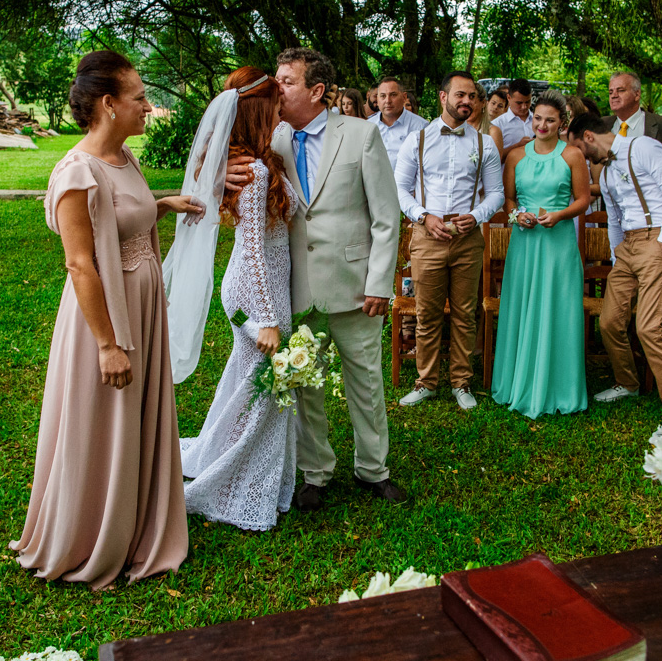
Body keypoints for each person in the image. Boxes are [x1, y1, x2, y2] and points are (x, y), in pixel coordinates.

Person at [11, 50, 201, 590]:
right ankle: (90, 536)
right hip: (105, 320)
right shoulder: (78, 173)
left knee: (135, 416)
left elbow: (121, 219)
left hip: (141, 308)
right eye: (140, 97)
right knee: (101, 424)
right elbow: (80, 263)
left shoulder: (125, 158)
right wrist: (107, 344)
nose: (148, 106)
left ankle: (138, 523)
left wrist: (164, 205)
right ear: (109, 104)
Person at [229, 47, 404, 511]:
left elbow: (386, 217)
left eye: (286, 81)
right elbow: (237, 165)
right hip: (297, 289)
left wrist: (379, 283)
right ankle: (315, 473)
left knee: (366, 384)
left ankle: (373, 469)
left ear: (317, 90)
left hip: (356, 286)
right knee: (305, 386)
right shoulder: (273, 139)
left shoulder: (361, 134)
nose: (277, 89)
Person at [171, 68, 300, 531]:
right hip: (254, 293)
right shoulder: (256, 171)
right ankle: (228, 489)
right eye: (276, 102)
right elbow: (251, 251)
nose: (283, 108)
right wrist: (266, 318)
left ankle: (228, 464)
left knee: (247, 389)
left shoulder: (258, 160)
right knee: (265, 398)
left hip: (258, 288)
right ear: (259, 110)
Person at [565, 114, 662, 414]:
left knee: (649, 327)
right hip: (627, 248)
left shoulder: (643, 147)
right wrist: (616, 252)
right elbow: (614, 216)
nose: (580, 157)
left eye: (579, 148)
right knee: (609, 322)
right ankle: (628, 383)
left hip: (658, 240)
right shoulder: (606, 172)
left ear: (589, 137)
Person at [395, 71, 505, 410]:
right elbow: (400, 189)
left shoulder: (484, 143)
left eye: (472, 96)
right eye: (460, 95)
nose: (466, 101)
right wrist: (424, 216)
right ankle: (426, 382)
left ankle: (461, 382)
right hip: (427, 235)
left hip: (467, 237)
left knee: (465, 313)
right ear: (443, 97)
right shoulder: (417, 140)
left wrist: (478, 215)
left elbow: (497, 193)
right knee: (427, 314)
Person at [493, 90, 590, 417]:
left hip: (558, 242)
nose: (542, 125)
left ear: (562, 123)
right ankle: (518, 381)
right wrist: (516, 215)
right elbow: (508, 199)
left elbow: (583, 200)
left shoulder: (572, 155)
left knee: (557, 307)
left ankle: (558, 386)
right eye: (537, 119)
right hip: (525, 243)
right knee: (522, 305)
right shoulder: (516, 156)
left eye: (550, 120)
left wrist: (560, 215)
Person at [606, 72, 662, 169]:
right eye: (610, 92)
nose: (614, 95)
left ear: (637, 94)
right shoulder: (601, 126)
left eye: (621, 90)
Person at [368, 77, 428, 167]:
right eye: (383, 96)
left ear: (404, 97)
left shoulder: (421, 127)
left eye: (393, 95)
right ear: (377, 99)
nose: (388, 101)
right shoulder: (368, 126)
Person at [491, 78, 534, 156]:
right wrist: (517, 146)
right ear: (509, 98)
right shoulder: (497, 125)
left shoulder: (538, 121)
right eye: (519, 103)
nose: (524, 107)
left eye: (527, 102)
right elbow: (493, 158)